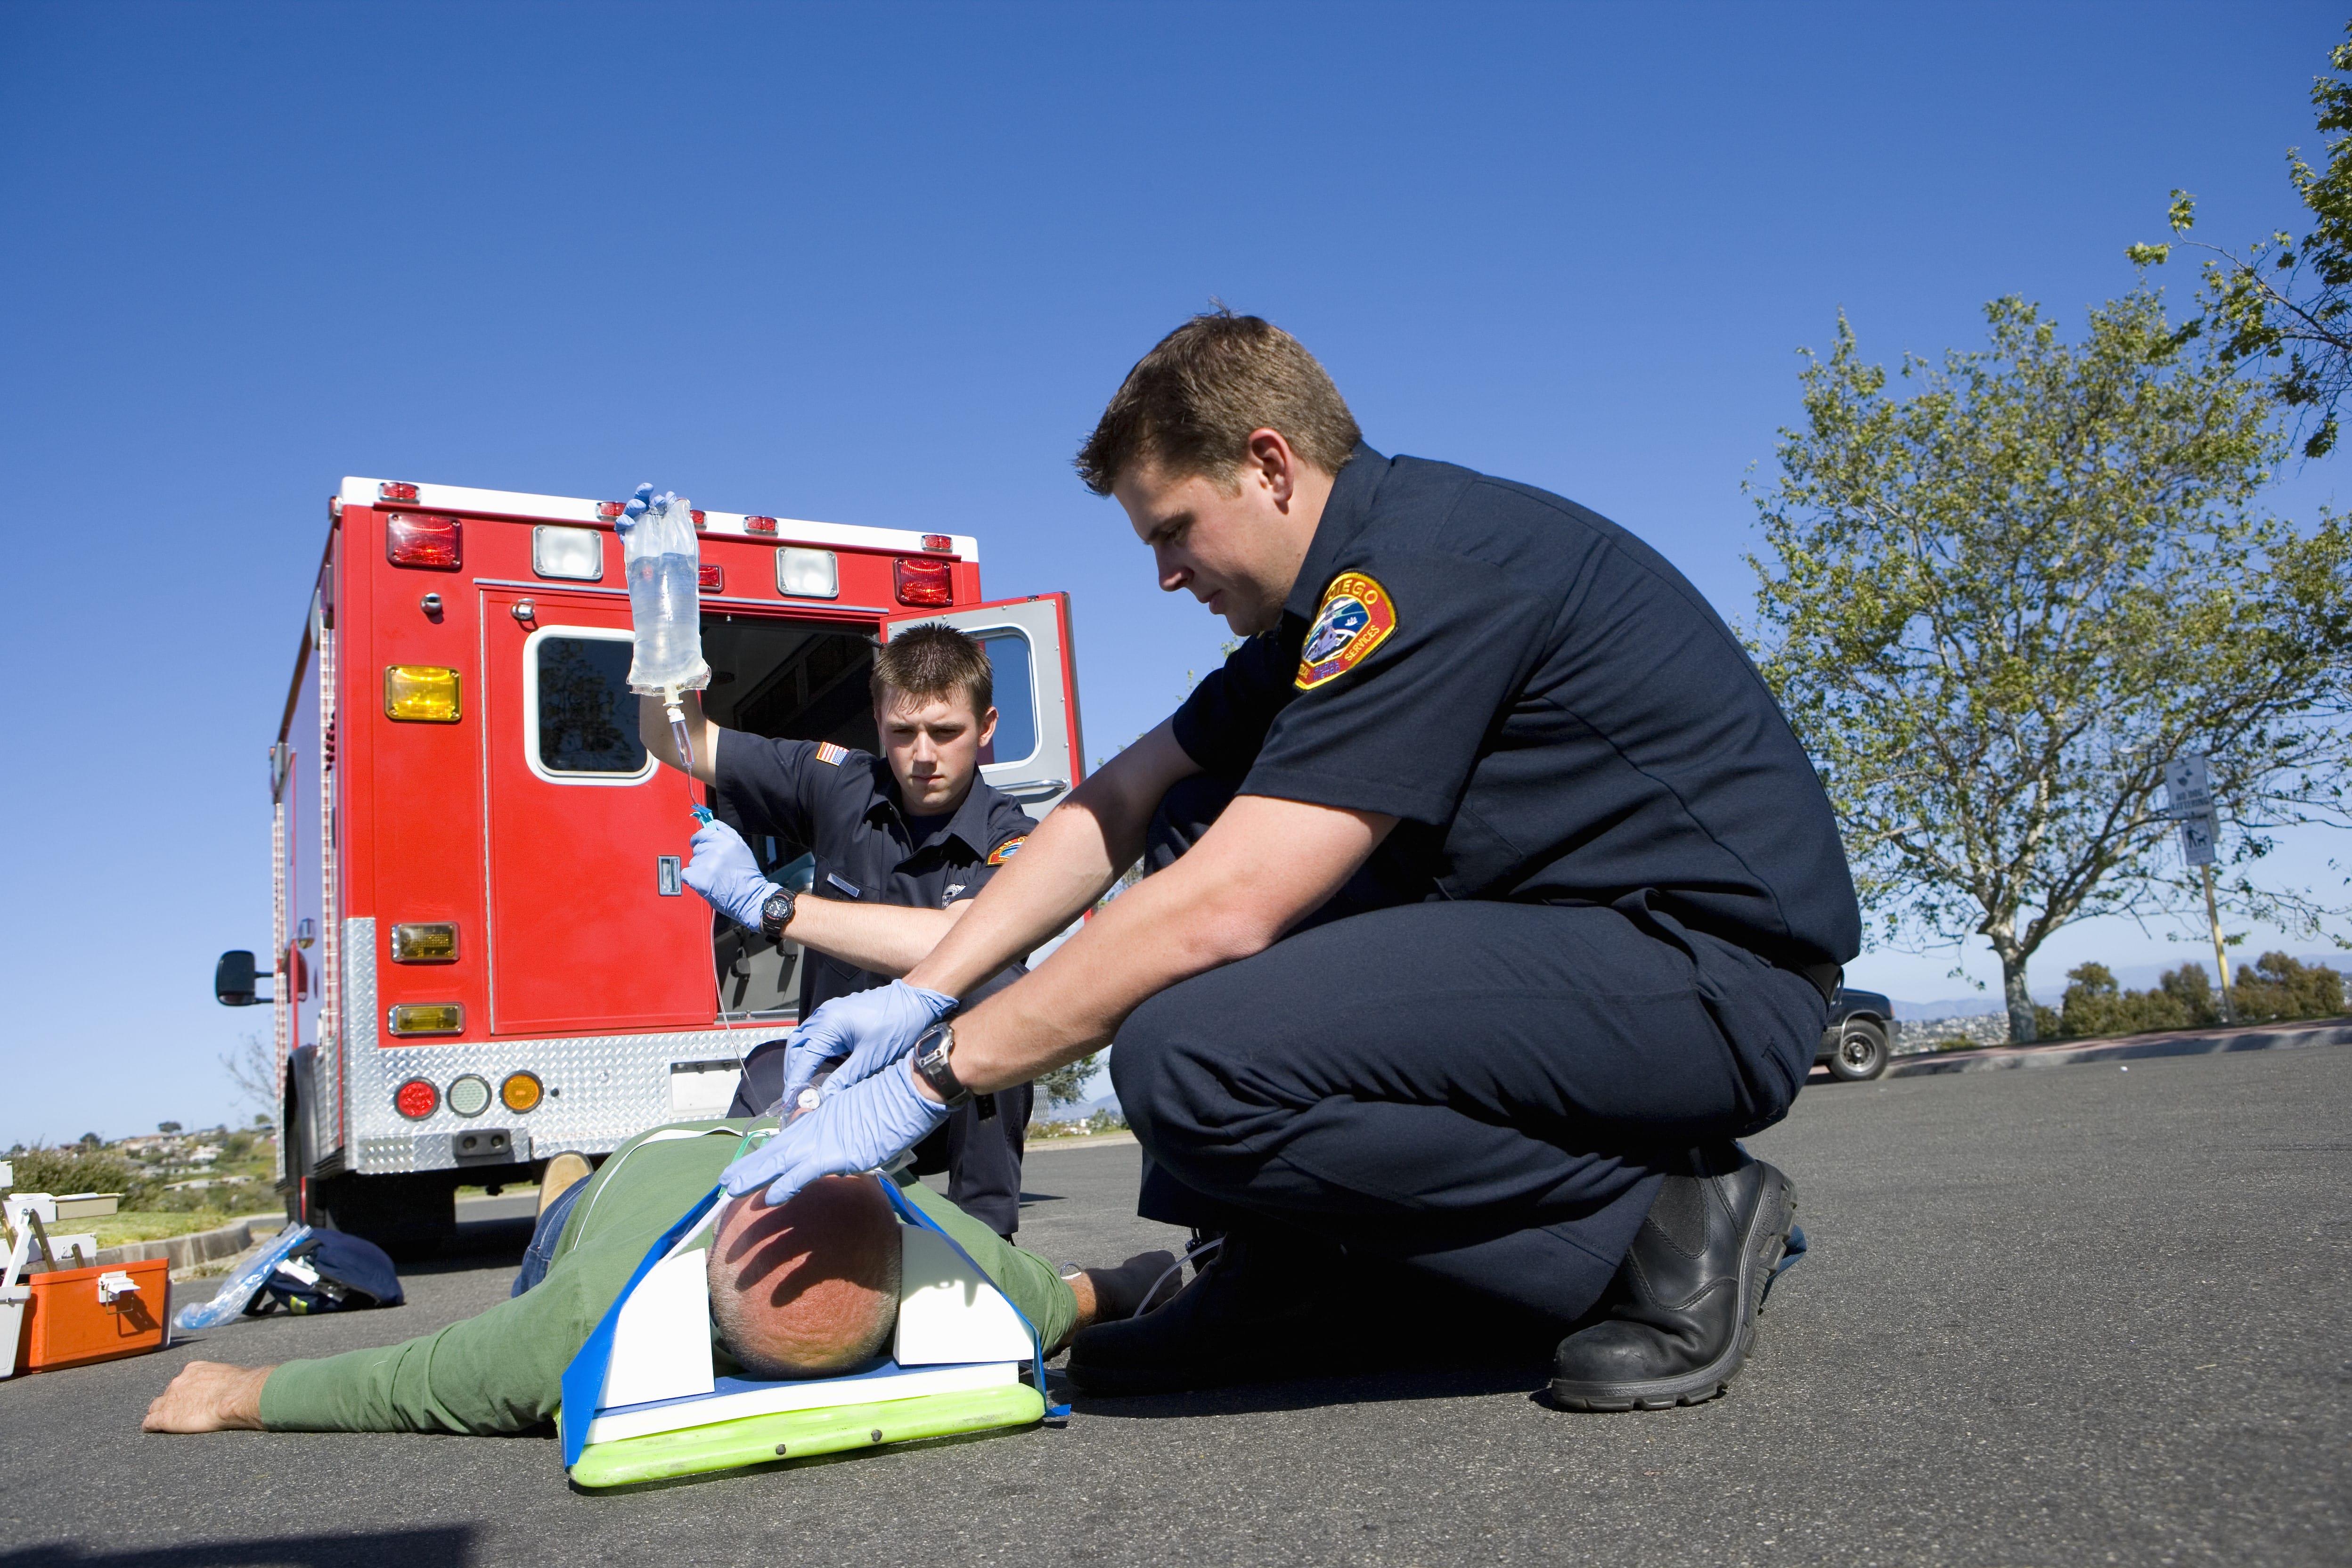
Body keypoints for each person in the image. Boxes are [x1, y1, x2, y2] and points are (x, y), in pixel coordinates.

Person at [706, 310, 1862, 1413]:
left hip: (1709, 972)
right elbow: (1116, 799)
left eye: (1172, 530)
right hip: (1582, 944)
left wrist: (934, 1077)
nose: (1164, 573)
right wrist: (927, 987)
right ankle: (1287, 1270)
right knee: (1191, 810)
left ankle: (1665, 1213)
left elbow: (1227, 907)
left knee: (1189, 1055)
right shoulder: (1316, 613)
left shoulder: (1413, 571)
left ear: (1269, 464)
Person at [141, 1118, 1173, 1435]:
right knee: (554, 1228)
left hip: (754, 1139)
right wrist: (233, 1394)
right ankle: (561, 1180)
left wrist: (1139, 1281)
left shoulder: (937, 1243)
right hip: (627, 1188)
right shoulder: (590, 1309)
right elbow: (411, 1376)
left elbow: (1071, 1292)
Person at [645, 620, 1043, 1239]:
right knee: (750, 1121)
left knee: (1000, 991)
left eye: (946, 732)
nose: (924, 756)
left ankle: (987, 1242)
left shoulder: (1011, 836)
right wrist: (659, 622)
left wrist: (773, 905)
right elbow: (680, 742)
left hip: (943, 1084)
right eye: (902, 733)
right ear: (878, 717)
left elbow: (969, 939)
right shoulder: (835, 781)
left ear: (986, 728)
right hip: (827, 1071)